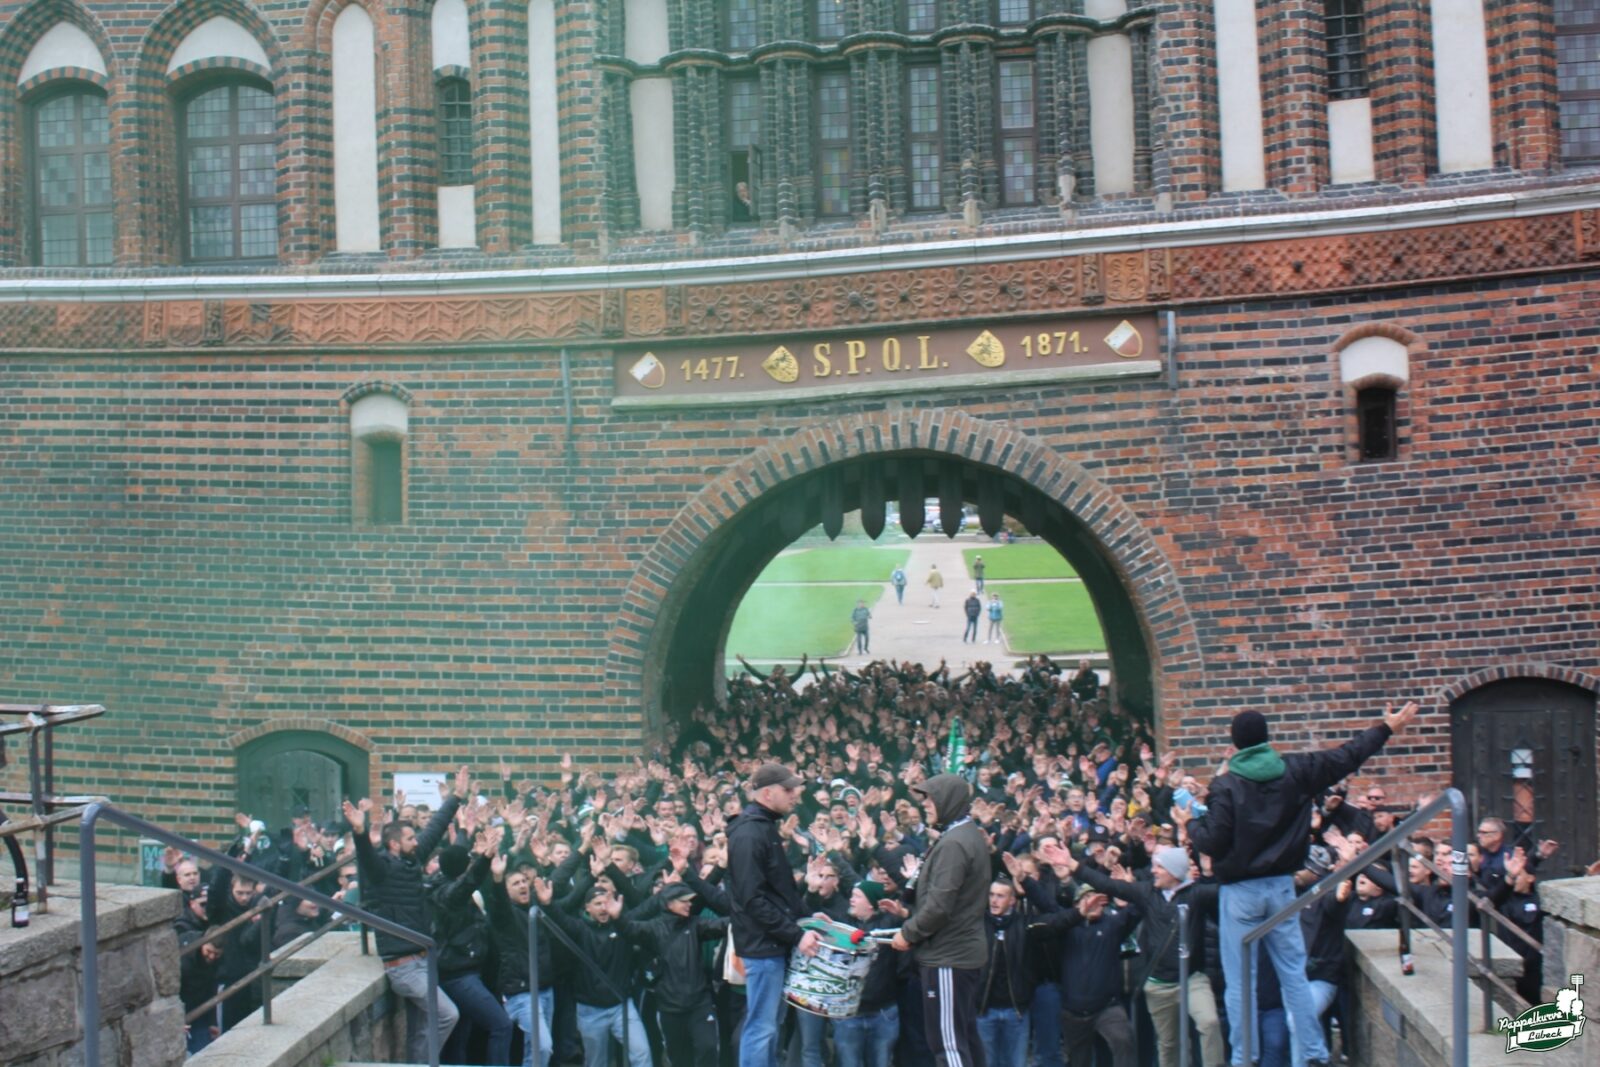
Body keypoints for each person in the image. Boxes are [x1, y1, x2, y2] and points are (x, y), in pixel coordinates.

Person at [1188, 701, 1418, 1067]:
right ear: (1266, 739)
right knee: (1293, 974)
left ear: (1235, 744)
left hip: (1241, 894)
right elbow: (1347, 756)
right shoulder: (1296, 770)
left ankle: (1244, 1057)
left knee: (1239, 982)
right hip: (1282, 889)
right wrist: (1386, 727)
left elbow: (1211, 841)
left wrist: (1191, 824)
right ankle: (1313, 1052)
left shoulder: (1225, 785)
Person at [1045, 842, 1222, 1067]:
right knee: (1167, 1043)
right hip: (1159, 984)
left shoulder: (1196, 894)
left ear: (1175, 872)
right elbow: (1108, 885)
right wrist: (1071, 864)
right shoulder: (1147, 892)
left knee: (1209, 1022)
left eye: (1159, 867)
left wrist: (1207, 873)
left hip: (1192, 979)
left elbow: (1226, 892)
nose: (1153, 871)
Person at [343, 767, 468, 1064]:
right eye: (410, 838)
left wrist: (456, 798)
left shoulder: (412, 861)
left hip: (423, 959)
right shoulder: (381, 871)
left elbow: (435, 828)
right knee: (448, 1014)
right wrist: (359, 832)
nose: (417, 841)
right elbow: (366, 858)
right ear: (394, 844)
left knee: (422, 1026)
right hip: (403, 967)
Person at [726, 763, 823, 1067]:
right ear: (768, 793)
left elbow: (779, 892)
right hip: (763, 947)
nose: (795, 795)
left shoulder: (763, 827)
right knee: (762, 1026)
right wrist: (797, 934)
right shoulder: (750, 834)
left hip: (771, 944)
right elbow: (753, 899)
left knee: (771, 1025)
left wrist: (811, 919)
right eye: (788, 789)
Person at [891, 773, 990, 1067]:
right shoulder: (964, 835)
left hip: (948, 957)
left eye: (930, 799)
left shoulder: (954, 844)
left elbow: (939, 907)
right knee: (966, 1038)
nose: (925, 805)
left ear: (948, 801)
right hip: (959, 953)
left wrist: (908, 934)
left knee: (947, 1045)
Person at [615, 881, 728, 1067]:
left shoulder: (695, 925)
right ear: (668, 903)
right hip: (669, 1007)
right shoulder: (653, 928)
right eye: (684, 901)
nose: (689, 904)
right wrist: (617, 918)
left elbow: (724, 925)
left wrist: (744, 915)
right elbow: (629, 930)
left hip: (700, 1004)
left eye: (690, 901)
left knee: (707, 1047)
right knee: (679, 1058)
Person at [432, 836, 514, 1066]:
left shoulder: (448, 889)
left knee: (459, 1038)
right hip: (458, 976)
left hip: (468, 972)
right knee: (501, 1025)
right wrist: (484, 859)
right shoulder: (447, 895)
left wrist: (495, 876)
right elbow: (467, 884)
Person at [973, 877, 1035, 1067]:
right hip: (984, 1011)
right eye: (991, 895)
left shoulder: (1024, 925)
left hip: (1016, 1011)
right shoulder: (978, 925)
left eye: (1000, 896)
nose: (994, 900)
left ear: (1012, 900)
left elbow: (1056, 918)